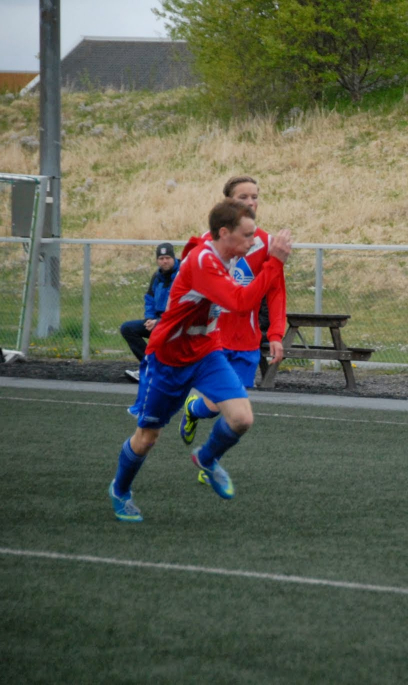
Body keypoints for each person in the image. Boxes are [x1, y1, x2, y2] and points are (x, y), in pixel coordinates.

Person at [108, 199, 293, 522]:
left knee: (242, 418)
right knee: (147, 438)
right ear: (224, 233)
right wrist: (275, 261)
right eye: (247, 235)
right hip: (168, 359)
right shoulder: (204, 261)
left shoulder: (223, 253)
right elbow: (240, 302)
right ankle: (120, 490)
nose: (253, 242)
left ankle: (206, 459)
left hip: (206, 352)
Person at [177, 176, 287, 486]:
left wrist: (275, 334)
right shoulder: (206, 243)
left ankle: (206, 449)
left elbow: (276, 291)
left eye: (255, 197)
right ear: (227, 202)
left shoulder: (266, 244)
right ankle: (203, 440)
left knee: (231, 413)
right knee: (222, 406)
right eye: (243, 197)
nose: (251, 203)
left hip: (246, 341)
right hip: (212, 339)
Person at [119, 243, 179, 382]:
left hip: (175, 323)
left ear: (174, 258)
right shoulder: (157, 276)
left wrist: (159, 322)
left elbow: (182, 305)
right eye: (161, 258)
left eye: (168, 258)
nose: (164, 261)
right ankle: (150, 368)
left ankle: (159, 371)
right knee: (127, 328)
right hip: (156, 320)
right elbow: (149, 299)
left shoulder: (182, 275)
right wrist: (149, 318)